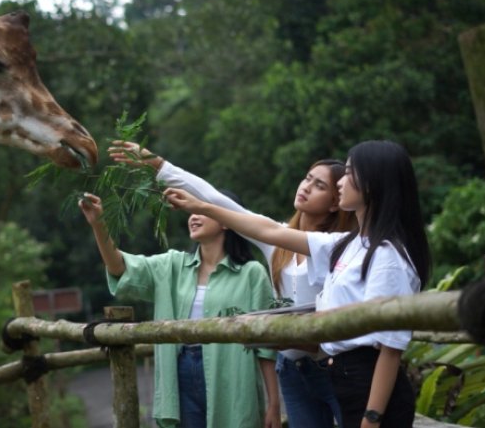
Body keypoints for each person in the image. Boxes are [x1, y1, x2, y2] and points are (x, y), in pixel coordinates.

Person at [163, 140, 431, 428]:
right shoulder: (348, 244)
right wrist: (202, 206)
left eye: (350, 172)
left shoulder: (387, 254)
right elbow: (267, 230)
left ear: (372, 183)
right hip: (341, 375)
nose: (342, 180)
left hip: (367, 383)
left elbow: (390, 347)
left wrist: (372, 416)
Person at [108, 140, 356, 428]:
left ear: (336, 201)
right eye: (307, 178)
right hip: (292, 369)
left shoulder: (341, 247)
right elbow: (214, 197)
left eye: (320, 186)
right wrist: (157, 164)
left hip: (335, 366)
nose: (306, 186)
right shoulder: (276, 241)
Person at [79, 190, 282, 428]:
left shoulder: (252, 273)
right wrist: (98, 224)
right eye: (192, 211)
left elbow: (266, 347)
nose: (193, 217)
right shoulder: (172, 266)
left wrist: (274, 404)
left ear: (227, 220)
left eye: (202, 211)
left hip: (232, 374)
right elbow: (119, 267)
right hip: (181, 370)